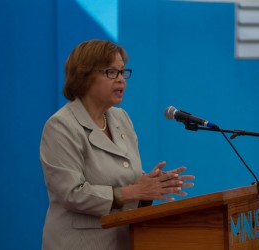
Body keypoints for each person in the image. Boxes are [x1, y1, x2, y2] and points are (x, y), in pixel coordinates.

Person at [40, 39, 195, 250]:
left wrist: (152, 184)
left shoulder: (121, 118)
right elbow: (72, 193)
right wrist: (135, 191)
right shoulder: (61, 126)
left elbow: (127, 177)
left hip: (124, 240)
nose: (121, 80)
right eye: (111, 72)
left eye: (122, 72)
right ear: (84, 76)